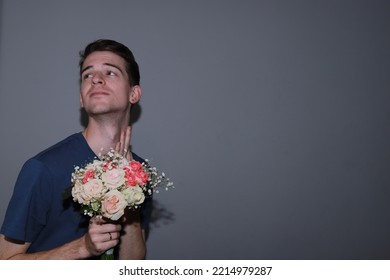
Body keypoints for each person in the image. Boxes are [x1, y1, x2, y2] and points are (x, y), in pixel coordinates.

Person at [0, 39, 149, 259]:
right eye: (87, 75)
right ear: (81, 98)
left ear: (134, 94)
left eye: (110, 73)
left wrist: (130, 201)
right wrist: (83, 247)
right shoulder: (43, 169)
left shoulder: (139, 171)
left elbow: (132, 263)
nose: (96, 79)